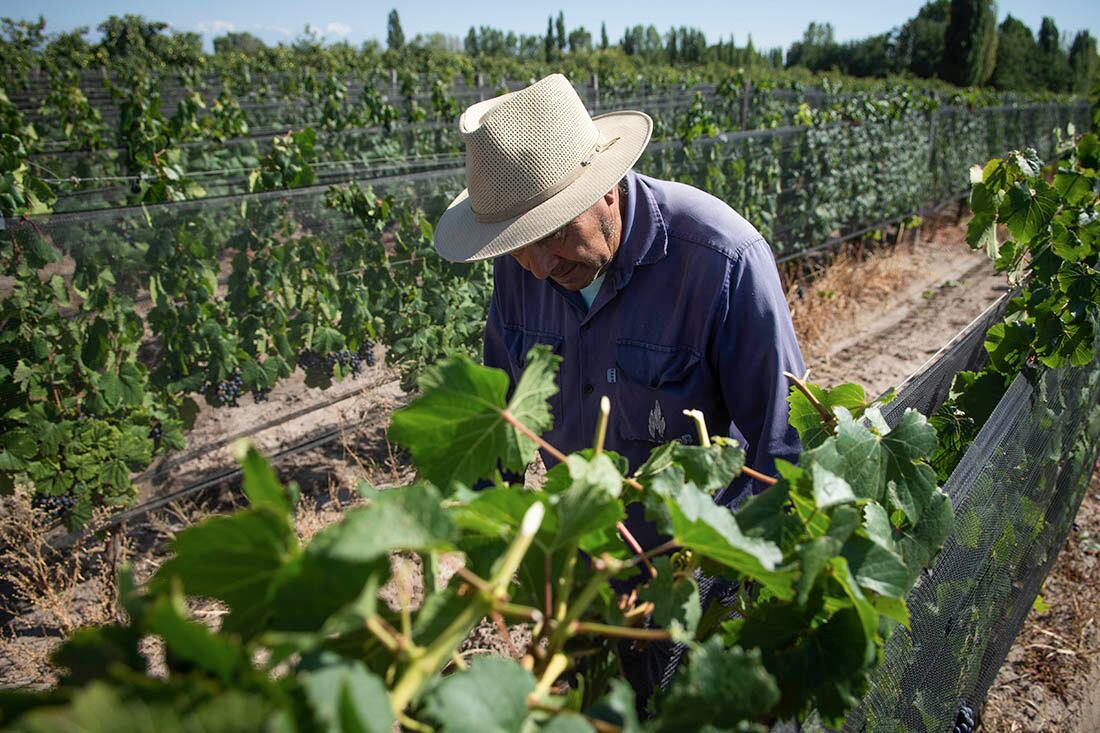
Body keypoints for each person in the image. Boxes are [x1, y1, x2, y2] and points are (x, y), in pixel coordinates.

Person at [433, 71, 805, 707]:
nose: (542, 266)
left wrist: (692, 577)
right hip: (578, 595)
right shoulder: (522, 270)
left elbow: (781, 455)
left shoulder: (722, 260)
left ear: (605, 188)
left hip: (696, 598)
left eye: (552, 231)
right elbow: (499, 430)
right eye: (519, 246)